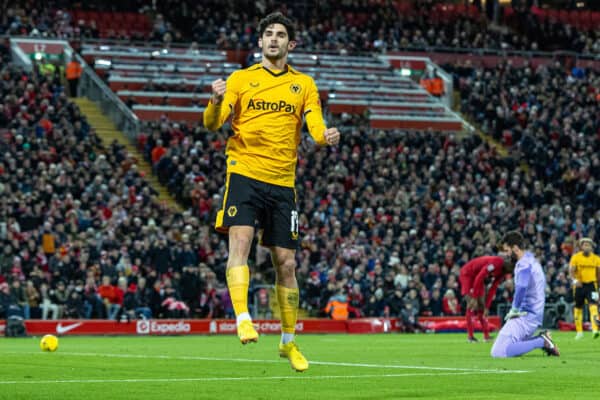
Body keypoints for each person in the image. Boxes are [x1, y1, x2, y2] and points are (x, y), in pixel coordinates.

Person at [202, 12, 341, 372]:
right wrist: (215, 101)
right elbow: (213, 124)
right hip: (245, 173)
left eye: (281, 35)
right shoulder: (240, 79)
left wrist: (325, 137)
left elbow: (314, 127)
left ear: (290, 44)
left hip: (283, 183)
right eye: (268, 34)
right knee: (241, 244)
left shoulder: (304, 85)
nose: (274, 39)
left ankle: (288, 342)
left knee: (287, 263)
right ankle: (243, 317)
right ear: (260, 42)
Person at [490, 231, 559, 357]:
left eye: (507, 250)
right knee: (509, 345)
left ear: (515, 248)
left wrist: (514, 309)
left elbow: (522, 286)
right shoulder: (531, 260)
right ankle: (542, 339)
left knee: (499, 352)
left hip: (524, 316)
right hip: (533, 316)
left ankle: (541, 341)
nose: (506, 254)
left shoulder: (523, 264)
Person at [459, 255, 513, 342]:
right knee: (472, 305)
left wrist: (487, 306)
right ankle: (470, 337)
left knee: (482, 307)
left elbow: (493, 289)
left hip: (478, 278)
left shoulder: (503, 272)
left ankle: (486, 336)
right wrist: (474, 297)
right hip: (468, 274)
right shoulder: (496, 262)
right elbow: (480, 276)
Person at [569, 237, 600, 339]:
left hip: (592, 285)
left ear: (591, 247)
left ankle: (595, 329)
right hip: (580, 285)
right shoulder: (576, 257)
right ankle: (579, 332)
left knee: (594, 307)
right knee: (578, 307)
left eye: (589, 245)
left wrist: (598, 288)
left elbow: (598, 274)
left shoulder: (596, 259)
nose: (587, 247)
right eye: (585, 245)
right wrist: (574, 281)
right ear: (581, 247)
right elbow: (571, 271)